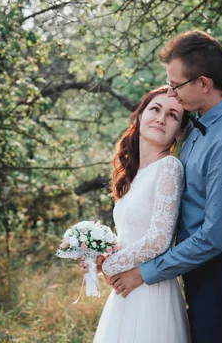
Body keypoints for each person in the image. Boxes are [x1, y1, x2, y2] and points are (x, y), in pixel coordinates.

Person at [103, 30, 222, 342]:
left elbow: (213, 238)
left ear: (203, 83)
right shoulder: (198, 128)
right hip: (195, 272)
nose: (172, 93)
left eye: (176, 86)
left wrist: (143, 272)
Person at [87, 85, 192, 343]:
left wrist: (111, 265)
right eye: (155, 109)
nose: (160, 118)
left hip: (151, 293)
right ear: (139, 116)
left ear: (178, 132)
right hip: (126, 289)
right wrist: (99, 257)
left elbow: (159, 240)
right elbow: (132, 237)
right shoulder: (134, 177)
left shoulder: (169, 167)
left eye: (172, 115)